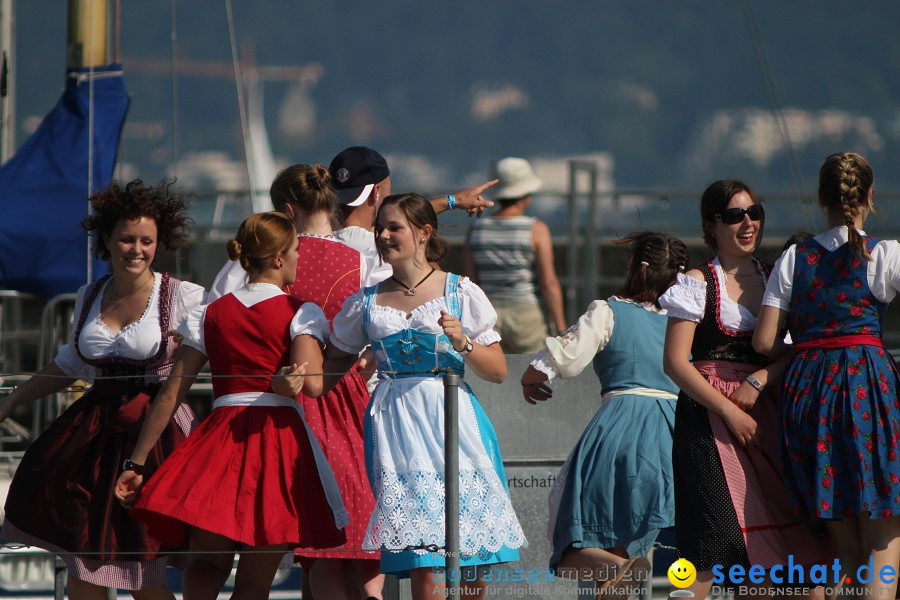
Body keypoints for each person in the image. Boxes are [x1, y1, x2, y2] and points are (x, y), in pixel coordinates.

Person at [300, 193, 527, 600]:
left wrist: (464, 344)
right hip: (396, 430)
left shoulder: (460, 291)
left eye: (394, 228)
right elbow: (327, 373)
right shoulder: (366, 301)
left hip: (452, 422)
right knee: (426, 567)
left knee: (471, 562)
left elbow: (499, 371)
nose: (383, 236)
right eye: (380, 228)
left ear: (424, 233)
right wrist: (294, 367)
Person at [114, 212, 348, 600]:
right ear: (276, 259)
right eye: (293, 252)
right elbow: (313, 384)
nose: (296, 260)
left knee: (206, 565)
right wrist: (344, 356)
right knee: (254, 583)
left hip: (219, 442)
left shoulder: (211, 313)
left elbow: (171, 394)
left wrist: (136, 463)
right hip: (275, 445)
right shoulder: (300, 312)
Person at [0, 179, 204, 600]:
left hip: (155, 431)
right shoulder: (88, 294)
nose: (137, 249)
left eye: (147, 241)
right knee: (85, 564)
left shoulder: (181, 296)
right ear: (106, 240)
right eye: (127, 239)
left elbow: (220, 347)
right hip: (93, 432)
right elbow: (70, 364)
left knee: (140, 574)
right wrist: (14, 399)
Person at [659, 180, 827, 598]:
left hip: (768, 420)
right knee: (714, 543)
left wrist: (760, 378)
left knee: (769, 553)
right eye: (735, 216)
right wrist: (731, 410)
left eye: (755, 212)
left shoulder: (777, 277)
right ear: (711, 225)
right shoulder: (697, 281)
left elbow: (806, 347)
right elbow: (676, 362)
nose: (748, 223)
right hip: (708, 422)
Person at [753, 152, 900, 598]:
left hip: (810, 390)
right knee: (882, 533)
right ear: (869, 196)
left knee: (843, 541)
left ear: (821, 199)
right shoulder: (886, 254)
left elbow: (763, 342)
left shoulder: (797, 257)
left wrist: (812, 346)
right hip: (868, 386)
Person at [520, 231, 689, 598]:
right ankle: (623, 569)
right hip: (679, 435)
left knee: (575, 542)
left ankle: (618, 567)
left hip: (622, 429)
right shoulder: (685, 324)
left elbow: (565, 355)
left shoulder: (610, 311)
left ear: (633, 266)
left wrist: (531, 378)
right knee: (636, 541)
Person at [463, 157, 566, 353]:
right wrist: (560, 327)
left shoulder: (477, 229)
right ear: (526, 194)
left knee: (493, 378)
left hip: (489, 313)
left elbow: (472, 283)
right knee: (532, 373)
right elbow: (548, 283)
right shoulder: (536, 229)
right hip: (526, 315)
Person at [329, 145, 498, 264]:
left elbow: (402, 217)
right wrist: (452, 201)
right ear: (377, 192)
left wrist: (452, 200)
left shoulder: (314, 240)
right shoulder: (384, 249)